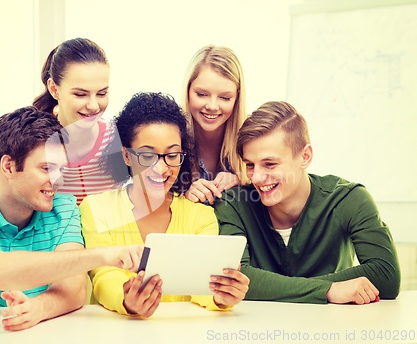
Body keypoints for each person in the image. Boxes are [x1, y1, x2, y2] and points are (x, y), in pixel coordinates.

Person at [0, 107, 142, 331]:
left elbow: (74, 288)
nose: (57, 181)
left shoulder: (62, 206)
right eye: (47, 168)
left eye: (61, 169)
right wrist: (101, 255)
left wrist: (38, 309)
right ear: (8, 166)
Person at [80, 92, 249, 318]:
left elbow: (202, 285)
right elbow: (102, 277)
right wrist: (126, 299)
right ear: (127, 156)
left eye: (172, 155)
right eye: (147, 156)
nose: (161, 169)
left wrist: (222, 295)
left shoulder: (201, 217)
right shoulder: (96, 208)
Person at [214, 101, 401, 304]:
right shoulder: (233, 203)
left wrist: (277, 287)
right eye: (250, 165)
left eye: (270, 164)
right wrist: (328, 290)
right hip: (253, 330)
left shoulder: (349, 198)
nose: (257, 177)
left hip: (329, 328)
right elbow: (232, 281)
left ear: (305, 156)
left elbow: (386, 275)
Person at [33, 37, 125, 205]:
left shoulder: (116, 137)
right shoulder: (35, 142)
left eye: (102, 93)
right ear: (54, 89)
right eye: (80, 94)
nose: (94, 105)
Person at [181, 45, 248, 205]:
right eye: (202, 94)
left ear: (237, 99)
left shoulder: (252, 139)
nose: (212, 106)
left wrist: (242, 182)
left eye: (225, 98)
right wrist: (183, 199)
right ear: (188, 90)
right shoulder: (170, 139)